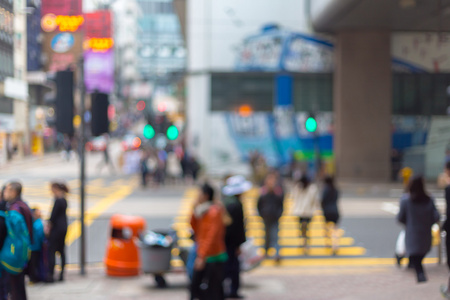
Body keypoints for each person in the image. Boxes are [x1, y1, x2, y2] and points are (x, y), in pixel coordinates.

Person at [397, 176, 439, 283]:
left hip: (412, 233)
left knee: (414, 254)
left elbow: (400, 217)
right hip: (425, 233)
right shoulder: (429, 199)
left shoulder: (406, 200)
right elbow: (436, 216)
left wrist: (408, 223)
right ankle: (417, 270)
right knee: (419, 254)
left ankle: (419, 273)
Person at [190, 183, 227, 300]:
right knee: (205, 288)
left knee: (212, 289)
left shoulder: (214, 212)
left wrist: (202, 255)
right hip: (204, 252)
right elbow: (194, 228)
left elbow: (211, 236)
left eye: (199, 193)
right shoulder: (201, 211)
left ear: (206, 195)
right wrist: (193, 210)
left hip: (213, 255)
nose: (197, 196)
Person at [222, 175, 251, 299]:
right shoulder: (236, 205)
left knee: (228, 266)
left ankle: (227, 289)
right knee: (233, 267)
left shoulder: (227, 202)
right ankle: (232, 290)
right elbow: (237, 228)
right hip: (232, 242)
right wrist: (239, 244)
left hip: (225, 240)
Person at [3, 181, 33, 300]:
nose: (4, 192)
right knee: (19, 285)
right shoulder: (23, 205)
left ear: (14, 192)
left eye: (7, 190)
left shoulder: (15, 209)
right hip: (23, 250)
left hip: (15, 252)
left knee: (14, 286)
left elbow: (13, 235)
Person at [257, 172, 284, 262]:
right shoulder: (263, 192)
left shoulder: (278, 192)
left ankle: (277, 254)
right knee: (267, 236)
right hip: (266, 217)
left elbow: (281, 205)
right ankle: (266, 251)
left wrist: (279, 214)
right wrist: (262, 214)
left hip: (275, 217)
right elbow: (259, 204)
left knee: (275, 235)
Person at [291, 175, 319, 254]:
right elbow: (315, 200)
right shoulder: (312, 188)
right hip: (308, 211)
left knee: (301, 228)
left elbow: (293, 197)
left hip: (299, 211)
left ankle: (302, 242)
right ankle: (306, 243)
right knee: (307, 228)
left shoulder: (297, 188)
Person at [47, 182, 68, 283]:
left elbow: (53, 217)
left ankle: (51, 274)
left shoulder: (58, 200)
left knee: (52, 251)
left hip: (56, 229)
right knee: (62, 251)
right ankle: (62, 273)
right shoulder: (64, 199)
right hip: (63, 227)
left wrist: (48, 226)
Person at [321, 176, 340, 255]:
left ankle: (327, 243)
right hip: (335, 211)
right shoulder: (335, 189)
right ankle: (335, 245)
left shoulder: (325, 190)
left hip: (327, 211)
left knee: (326, 228)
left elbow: (322, 200)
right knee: (335, 230)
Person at [28, 208, 46, 283]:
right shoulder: (37, 223)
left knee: (34, 263)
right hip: (35, 246)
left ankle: (34, 278)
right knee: (34, 263)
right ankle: (35, 277)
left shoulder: (35, 223)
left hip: (34, 246)